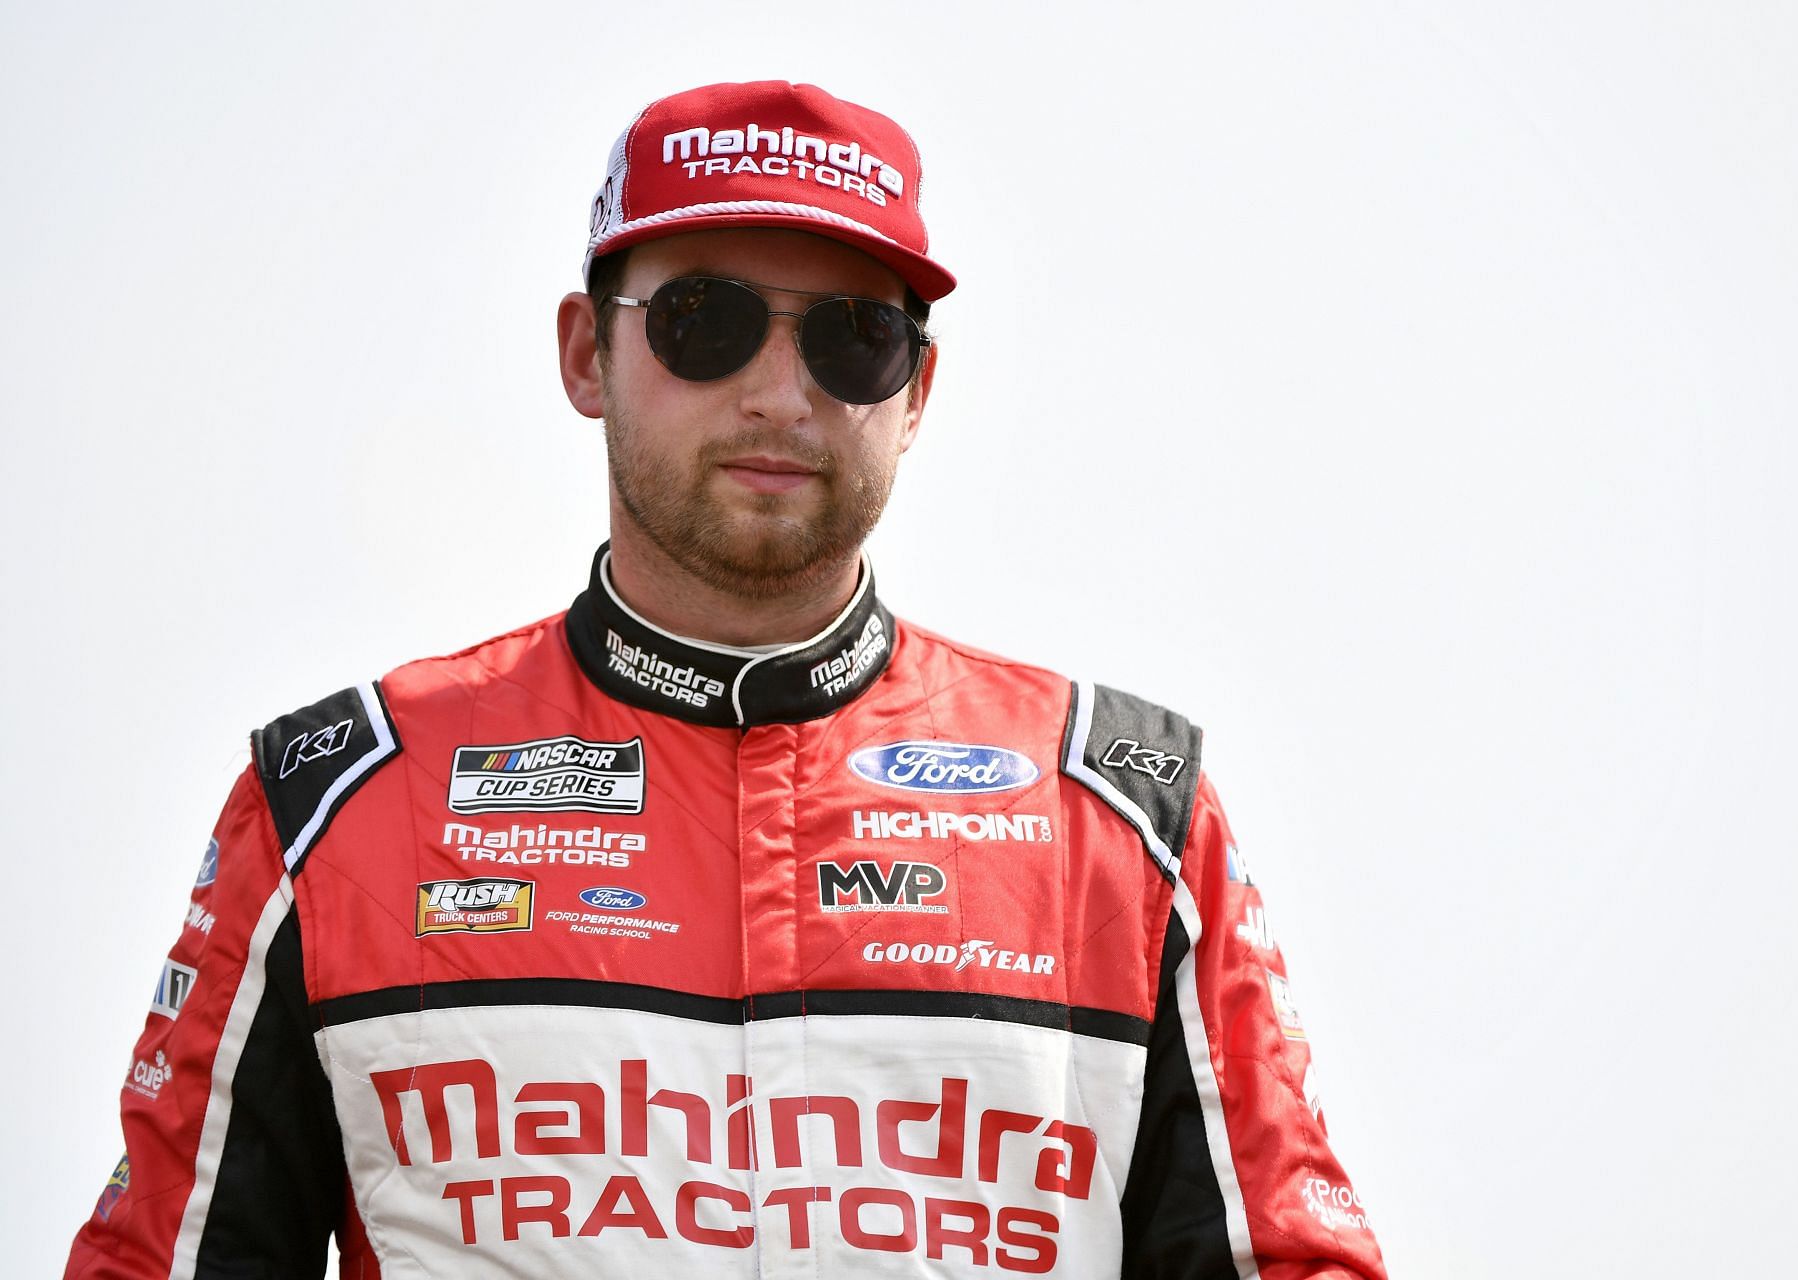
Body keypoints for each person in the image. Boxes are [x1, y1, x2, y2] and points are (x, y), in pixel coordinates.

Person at [66, 80, 1389, 1279]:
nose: (776, 392)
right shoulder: (339, 800)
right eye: (707, 321)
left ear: (917, 391)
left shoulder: (1120, 811)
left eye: (854, 338)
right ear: (588, 351)